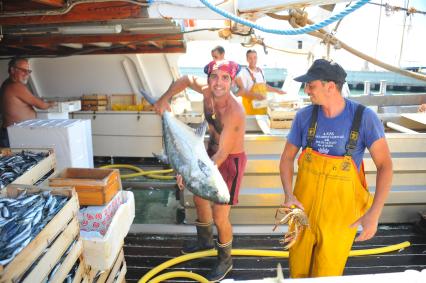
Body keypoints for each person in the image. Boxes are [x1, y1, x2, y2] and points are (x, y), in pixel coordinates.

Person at [279, 59, 393, 278]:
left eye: (311, 85)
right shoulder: (304, 116)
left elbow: (385, 166)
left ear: (330, 87)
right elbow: (286, 159)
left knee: (327, 275)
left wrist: (374, 213)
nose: (307, 90)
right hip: (302, 213)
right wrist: (288, 194)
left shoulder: (364, 117)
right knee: (298, 272)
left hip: (340, 219)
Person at [154, 60, 247, 282]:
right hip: (207, 154)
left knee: (220, 215)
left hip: (228, 161)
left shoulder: (235, 112)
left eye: (225, 78)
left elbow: (222, 155)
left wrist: (188, 169)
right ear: (208, 78)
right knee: (198, 199)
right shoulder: (206, 91)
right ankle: (204, 241)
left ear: (232, 81)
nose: (219, 83)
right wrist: (164, 99)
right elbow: (185, 79)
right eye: (214, 76)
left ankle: (225, 260)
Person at [0, 57, 55, 147]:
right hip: (13, 134)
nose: (26, 74)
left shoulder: (7, 83)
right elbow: (42, 105)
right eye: (23, 70)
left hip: (12, 132)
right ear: (12, 70)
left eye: (28, 71)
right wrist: (52, 104)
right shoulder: (16, 86)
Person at [235, 49, 285, 115]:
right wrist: (256, 96)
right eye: (250, 58)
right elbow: (242, 92)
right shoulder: (244, 73)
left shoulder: (261, 71)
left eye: (255, 57)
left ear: (257, 58)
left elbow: (265, 86)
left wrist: (277, 91)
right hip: (250, 111)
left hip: (263, 110)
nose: (253, 60)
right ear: (247, 59)